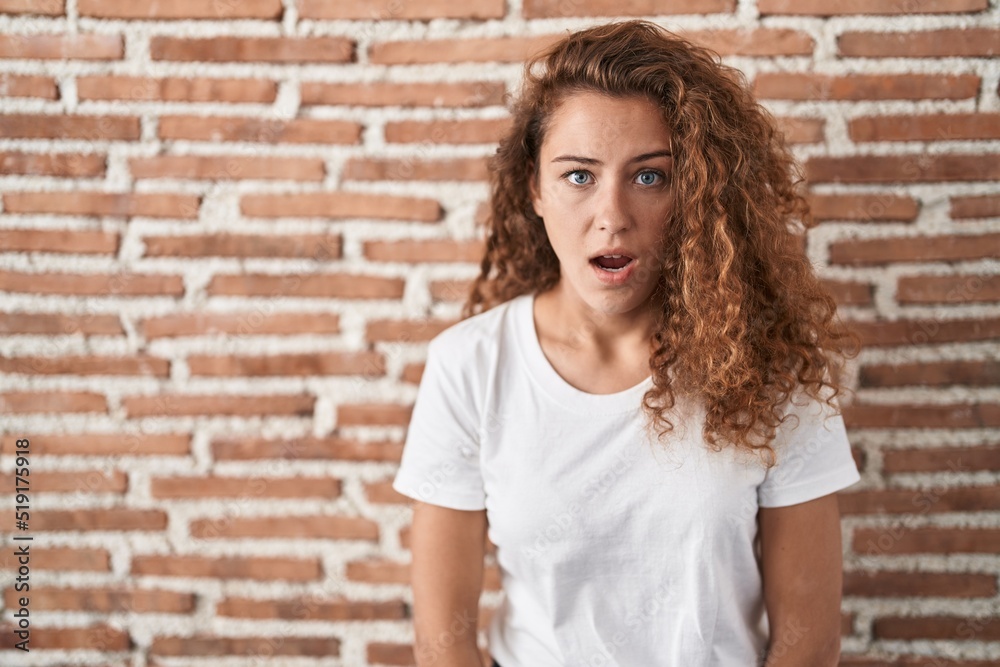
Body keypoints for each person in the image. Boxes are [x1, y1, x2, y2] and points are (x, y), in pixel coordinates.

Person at [392, 19, 861, 667]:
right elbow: (441, 644)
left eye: (650, 177)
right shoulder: (468, 366)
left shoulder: (774, 366)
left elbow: (809, 642)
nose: (611, 215)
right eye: (578, 176)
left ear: (695, 191)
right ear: (534, 187)